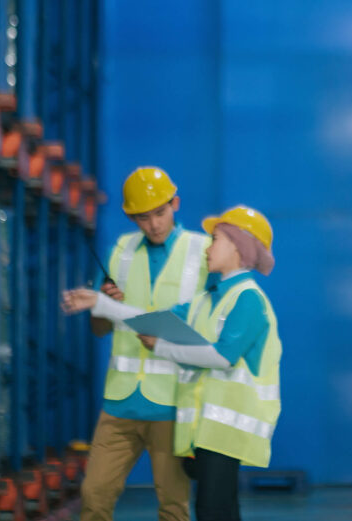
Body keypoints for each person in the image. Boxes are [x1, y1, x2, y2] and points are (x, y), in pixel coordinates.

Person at [64, 205, 281, 521]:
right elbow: (154, 320)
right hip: (207, 428)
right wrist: (102, 303)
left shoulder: (248, 299)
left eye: (216, 239)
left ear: (239, 246)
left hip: (228, 431)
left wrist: (164, 348)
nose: (209, 246)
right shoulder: (209, 299)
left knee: (213, 509)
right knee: (215, 509)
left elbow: (222, 356)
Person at [77, 166, 211, 521]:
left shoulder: (203, 252)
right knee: (93, 497)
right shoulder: (119, 251)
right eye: (142, 217)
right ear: (130, 216)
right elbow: (99, 329)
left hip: (172, 403)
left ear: (175, 204)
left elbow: (210, 327)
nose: (153, 224)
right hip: (120, 403)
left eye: (160, 213)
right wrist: (106, 305)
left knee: (174, 507)